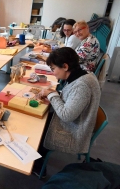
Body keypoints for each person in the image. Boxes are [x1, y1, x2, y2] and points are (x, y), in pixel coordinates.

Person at [32, 47, 101, 178]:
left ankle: (38, 165)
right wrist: (55, 94)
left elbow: (66, 115)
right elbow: (72, 99)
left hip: (76, 131)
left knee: (39, 128)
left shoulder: (82, 85)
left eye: (53, 69)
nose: (53, 73)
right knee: (43, 118)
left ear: (65, 66)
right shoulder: (81, 75)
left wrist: (52, 95)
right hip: (78, 120)